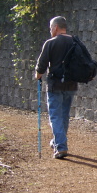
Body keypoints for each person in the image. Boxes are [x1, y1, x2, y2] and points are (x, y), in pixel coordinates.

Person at [35, 16, 77, 159]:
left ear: (56, 28)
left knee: (55, 116)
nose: (50, 30)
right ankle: (57, 142)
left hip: (55, 85)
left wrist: (38, 75)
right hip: (71, 84)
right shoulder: (75, 42)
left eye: (51, 27)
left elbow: (41, 65)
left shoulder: (51, 43)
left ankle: (61, 146)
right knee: (64, 115)